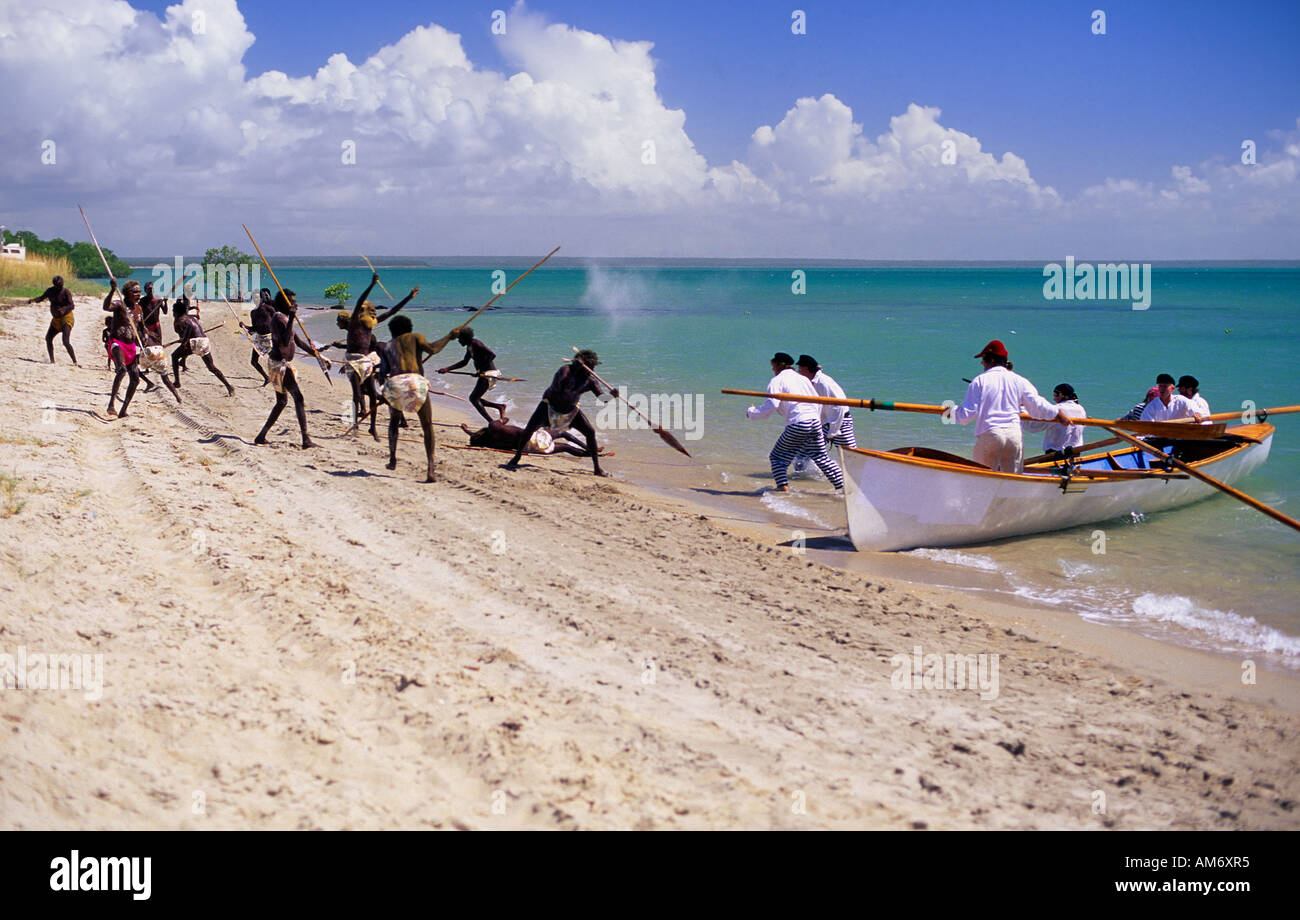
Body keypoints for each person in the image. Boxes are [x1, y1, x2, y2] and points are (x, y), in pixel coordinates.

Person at [953, 340, 1071, 473]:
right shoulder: (1019, 380)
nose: (981, 363)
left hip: (991, 434)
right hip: (1014, 436)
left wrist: (949, 413)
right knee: (1012, 481)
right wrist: (1058, 414)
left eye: (983, 360)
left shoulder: (979, 381)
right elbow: (1037, 404)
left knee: (981, 478)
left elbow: (966, 416)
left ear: (991, 360)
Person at [503, 349, 612, 476]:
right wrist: (576, 371)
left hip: (571, 410)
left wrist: (612, 395)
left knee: (590, 432)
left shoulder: (590, 381)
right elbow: (559, 386)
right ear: (583, 365)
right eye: (591, 366)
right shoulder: (565, 370)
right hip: (549, 406)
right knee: (529, 429)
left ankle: (597, 468)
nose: (593, 370)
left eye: (593, 367)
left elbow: (603, 400)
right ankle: (517, 457)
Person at [746, 352, 844, 492]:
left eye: (773, 366)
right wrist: (814, 419)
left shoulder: (777, 380)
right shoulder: (803, 379)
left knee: (776, 457)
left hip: (799, 422)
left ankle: (783, 488)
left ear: (779, 365)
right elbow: (817, 401)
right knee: (821, 457)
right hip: (815, 422)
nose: (772, 369)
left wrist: (752, 412)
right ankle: (844, 487)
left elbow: (771, 406)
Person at [339, 274, 417, 437]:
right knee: (356, 395)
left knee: (373, 395)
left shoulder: (370, 326)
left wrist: (408, 298)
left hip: (366, 362)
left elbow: (392, 311)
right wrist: (372, 285)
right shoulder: (354, 322)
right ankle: (354, 425)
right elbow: (360, 301)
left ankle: (372, 426)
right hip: (353, 362)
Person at [254, 289, 323, 449]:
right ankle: (306, 440)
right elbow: (285, 342)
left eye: (295, 301)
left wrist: (315, 353)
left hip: (281, 364)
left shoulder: (284, 318)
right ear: (284, 303)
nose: (295, 304)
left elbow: (296, 341)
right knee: (298, 398)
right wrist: (292, 317)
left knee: (282, 402)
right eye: (291, 301)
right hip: (280, 365)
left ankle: (261, 436)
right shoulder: (278, 319)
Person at [374, 315, 437, 482]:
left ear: (393, 332)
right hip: (416, 383)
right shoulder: (416, 339)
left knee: (394, 421)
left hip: (395, 384)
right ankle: (430, 469)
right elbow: (432, 349)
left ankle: (392, 460)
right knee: (427, 425)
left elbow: (382, 375)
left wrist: (383, 394)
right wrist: (449, 337)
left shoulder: (388, 347)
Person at [791, 354, 855, 473]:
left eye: (800, 368)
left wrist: (833, 430)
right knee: (802, 453)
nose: (799, 371)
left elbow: (839, 406)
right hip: (824, 423)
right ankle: (800, 479)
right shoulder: (811, 380)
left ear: (806, 368)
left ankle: (854, 480)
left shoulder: (823, 383)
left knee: (849, 455)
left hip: (840, 422)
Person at [437, 327, 508, 423]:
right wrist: (447, 369)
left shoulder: (476, 344)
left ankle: (492, 422)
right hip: (484, 374)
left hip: (489, 374)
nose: (458, 341)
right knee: (475, 398)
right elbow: (464, 362)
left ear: (466, 338)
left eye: (460, 338)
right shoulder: (470, 347)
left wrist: (481, 370)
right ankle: (499, 407)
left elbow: (492, 355)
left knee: (474, 399)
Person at [171, 299, 234, 395]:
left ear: (177, 312)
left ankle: (177, 382)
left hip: (195, 342)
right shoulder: (192, 318)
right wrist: (184, 339)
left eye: (173, 311)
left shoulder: (179, 321)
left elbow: (185, 335)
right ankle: (228, 386)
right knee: (211, 367)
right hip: (205, 341)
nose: (173, 313)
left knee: (174, 356)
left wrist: (183, 339)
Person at [102, 280, 144, 418]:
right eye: (135, 292)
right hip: (117, 343)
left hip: (131, 346)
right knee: (121, 370)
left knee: (136, 379)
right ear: (127, 293)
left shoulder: (138, 309)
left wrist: (144, 339)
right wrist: (112, 290)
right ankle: (111, 404)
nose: (138, 294)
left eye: (139, 291)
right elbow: (106, 307)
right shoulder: (120, 304)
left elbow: (141, 329)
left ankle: (123, 410)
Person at [461, 419, 594, 458]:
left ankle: (591, 454)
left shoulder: (490, 443)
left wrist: (467, 431)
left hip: (531, 447)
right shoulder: (494, 426)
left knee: (566, 448)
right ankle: (590, 449)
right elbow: (505, 419)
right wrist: (502, 416)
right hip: (533, 436)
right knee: (563, 434)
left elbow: (479, 440)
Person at [1022, 383, 1087, 459]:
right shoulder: (1081, 409)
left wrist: (1022, 409)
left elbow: (1033, 427)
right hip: (1075, 454)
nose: (1054, 399)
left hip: (1055, 455)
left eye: (1055, 395)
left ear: (1061, 394)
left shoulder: (1057, 410)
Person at [29, 275, 77, 364]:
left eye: (61, 285)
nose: (59, 287)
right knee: (48, 338)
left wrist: (64, 309)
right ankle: (52, 361)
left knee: (65, 341)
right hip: (56, 320)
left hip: (67, 318)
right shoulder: (50, 291)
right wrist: (33, 300)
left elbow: (72, 305)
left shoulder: (66, 292)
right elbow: (41, 298)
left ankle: (75, 361)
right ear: (54, 285)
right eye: (58, 286)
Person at [244, 288, 275, 386]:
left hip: (269, 338)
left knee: (276, 361)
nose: (256, 300)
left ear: (262, 298)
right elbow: (254, 329)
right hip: (259, 339)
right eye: (254, 298)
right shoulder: (253, 313)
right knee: (253, 362)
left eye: (258, 297)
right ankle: (267, 378)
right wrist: (244, 326)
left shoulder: (268, 308)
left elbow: (278, 319)